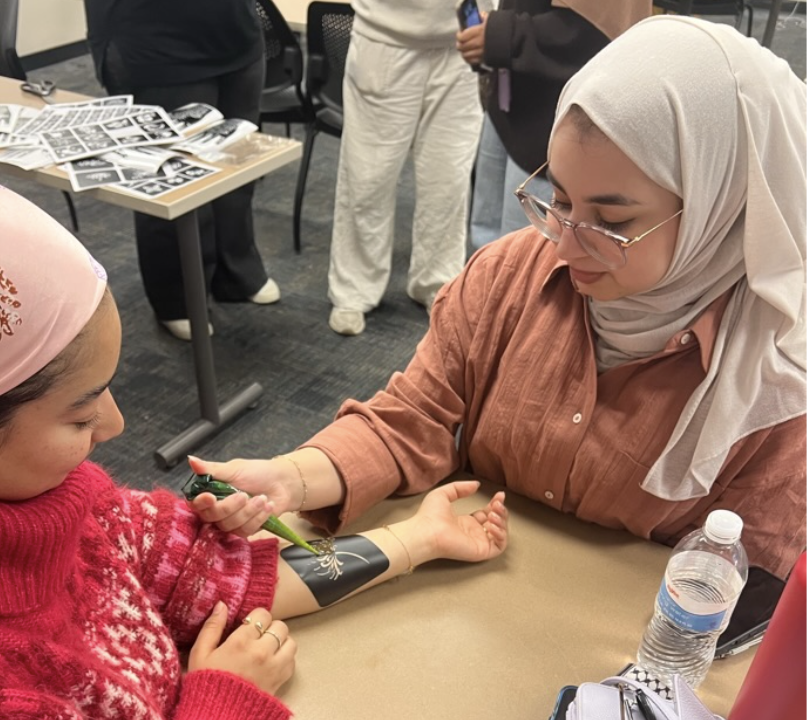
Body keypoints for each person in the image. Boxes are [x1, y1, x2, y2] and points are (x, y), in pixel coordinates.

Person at [192, 17, 807, 632]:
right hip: (459, 606)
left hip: (610, 644)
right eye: (558, 200)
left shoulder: (778, 379)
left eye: (611, 224)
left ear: (721, 209)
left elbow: (739, 595)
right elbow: (415, 419)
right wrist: (291, 479)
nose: (564, 248)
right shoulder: (510, 275)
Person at [0, 164, 508, 718]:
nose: (115, 427)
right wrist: (222, 701)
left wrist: (417, 539)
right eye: (79, 414)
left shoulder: (64, 500)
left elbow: (226, 576)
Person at [83, 0, 279, 341]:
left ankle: (236, 270)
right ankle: (178, 297)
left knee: (236, 166)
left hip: (236, 34)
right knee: (171, 177)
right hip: (156, 45)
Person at [326, 0, 483, 336]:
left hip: (463, 43)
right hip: (385, 39)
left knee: (448, 179)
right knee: (368, 177)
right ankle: (354, 288)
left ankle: (437, 281)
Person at [457, 0, 652, 248]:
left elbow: (588, 34)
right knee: (488, 242)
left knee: (526, 256)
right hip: (509, 98)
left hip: (555, 122)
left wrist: (502, 35)